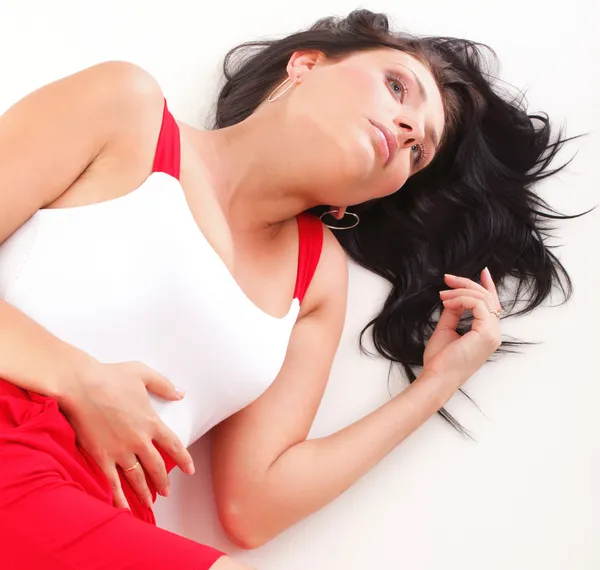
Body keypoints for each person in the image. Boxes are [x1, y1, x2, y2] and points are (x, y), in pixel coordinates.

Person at [0, 8, 575, 570]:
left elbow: (253, 508)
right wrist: (77, 376)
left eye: (418, 151)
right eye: (397, 87)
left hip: (97, 516)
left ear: (372, 195)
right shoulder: (127, 110)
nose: (405, 130)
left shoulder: (317, 276)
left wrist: (440, 381)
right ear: (304, 65)